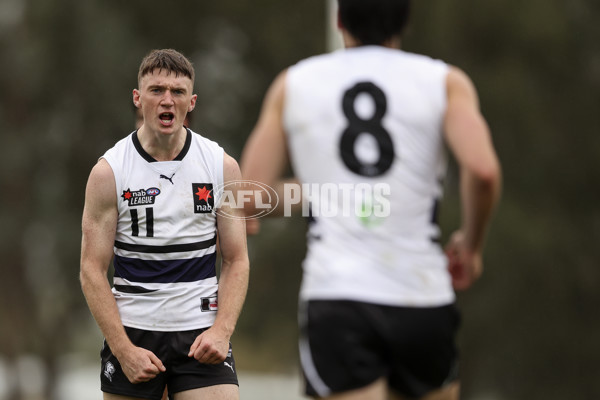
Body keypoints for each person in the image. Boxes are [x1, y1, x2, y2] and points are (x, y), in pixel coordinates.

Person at [240, 1, 501, 399]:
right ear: (405, 19)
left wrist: (329, 191)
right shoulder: (445, 82)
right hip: (422, 294)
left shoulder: (294, 84)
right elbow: (483, 171)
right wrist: (472, 244)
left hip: (339, 295)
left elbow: (250, 197)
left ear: (340, 19)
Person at [81, 48, 249, 400]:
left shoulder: (221, 167)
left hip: (200, 334)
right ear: (138, 98)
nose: (167, 100)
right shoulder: (109, 172)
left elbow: (236, 259)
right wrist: (123, 351)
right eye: (157, 90)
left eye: (178, 92)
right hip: (135, 335)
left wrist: (222, 331)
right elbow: (91, 270)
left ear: (192, 102)